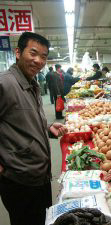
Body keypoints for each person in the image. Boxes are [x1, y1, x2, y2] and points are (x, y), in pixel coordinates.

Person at [0, 32, 68, 225]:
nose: (38, 60)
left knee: (43, 219)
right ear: (18, 52)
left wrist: (47, 128)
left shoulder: (32, 83)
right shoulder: (5, 83)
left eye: (44, 56)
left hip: (40, 175)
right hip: (20, 180)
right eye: (33, 53)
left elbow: (20, 121)